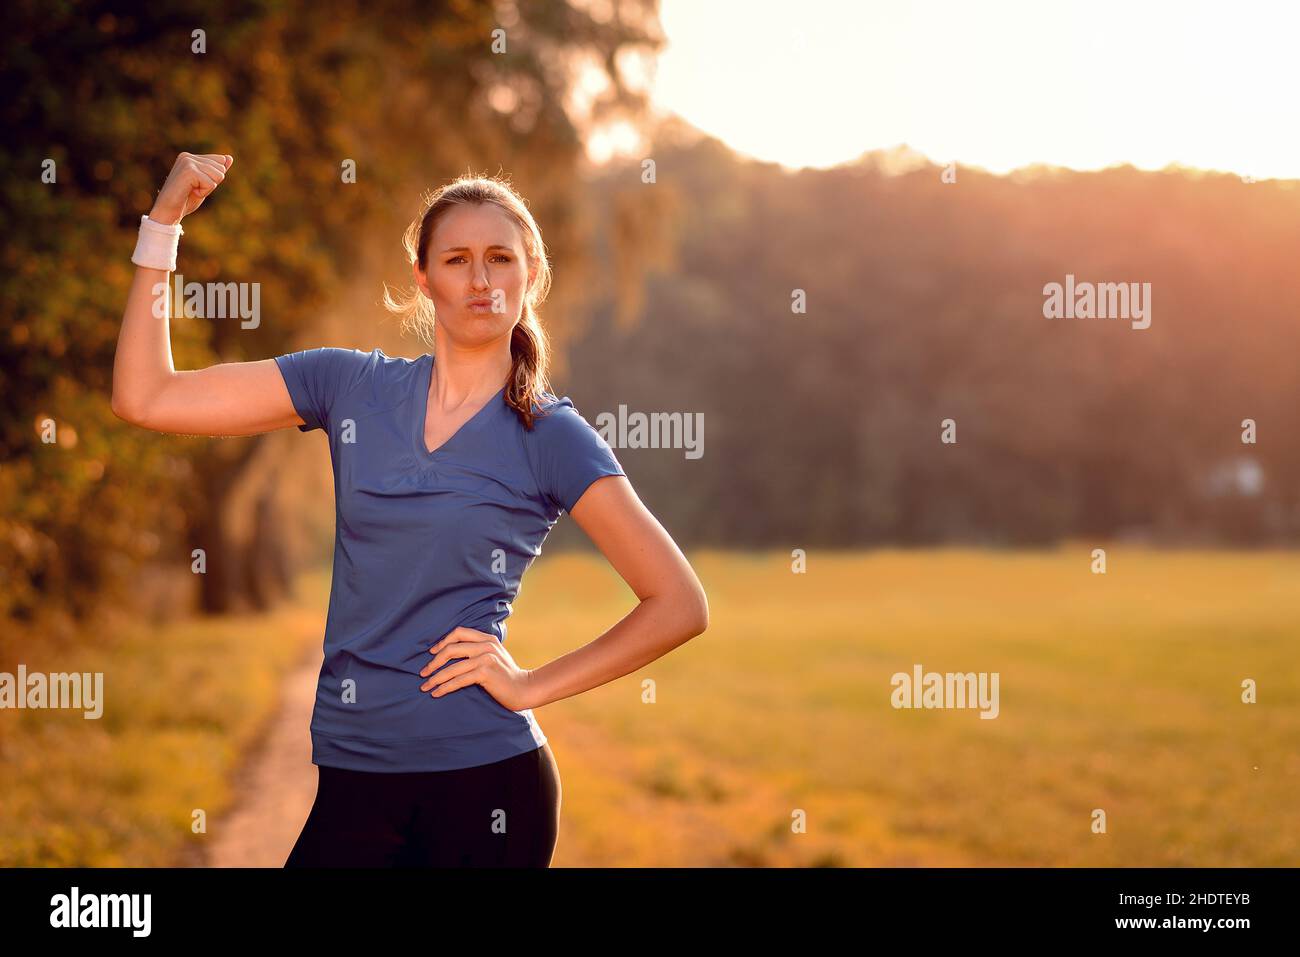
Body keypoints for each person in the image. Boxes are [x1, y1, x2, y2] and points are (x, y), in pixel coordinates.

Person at [112, 152, 709, 867]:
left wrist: (529, 685)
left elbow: (678, 601)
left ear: (531, 275)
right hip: (353, 779)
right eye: (457, 259)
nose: (481, 280)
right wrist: (163, 227)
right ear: (424, 278)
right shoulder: (346, 385)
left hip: (487, 789)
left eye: (500, 258)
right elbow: (146, 397)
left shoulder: (550, 435)